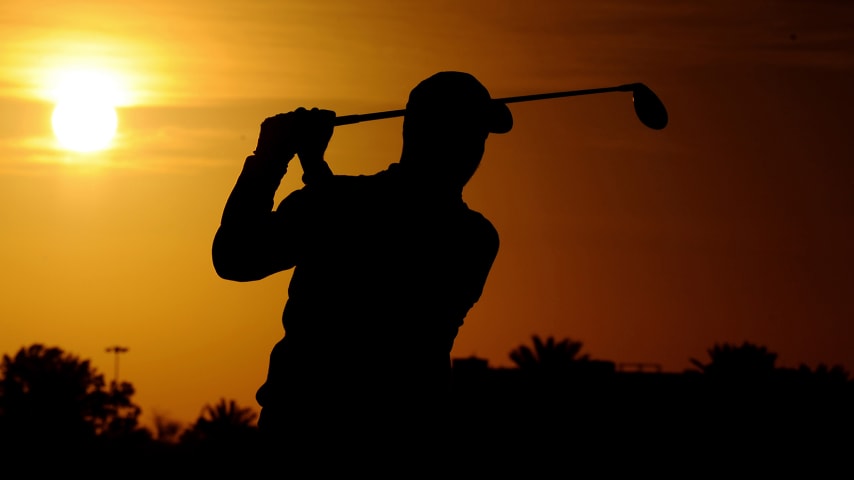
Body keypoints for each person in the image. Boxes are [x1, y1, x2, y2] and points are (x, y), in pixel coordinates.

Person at [211, 71, 512, 464]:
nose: (473, 148)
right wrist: (310, 166)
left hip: (310, 434)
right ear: (422, 133)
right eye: (465, 132)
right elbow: (239, 258)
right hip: (387, 439)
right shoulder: (472, 235)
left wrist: (272, 158)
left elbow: (240, 254)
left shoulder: (473, 238)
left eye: (479, 136)